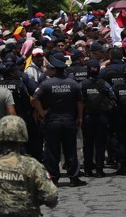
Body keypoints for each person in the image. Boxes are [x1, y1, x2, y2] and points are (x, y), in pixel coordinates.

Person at [32, 55, 87, 187]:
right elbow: (80, 102)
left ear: (55, 70)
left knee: (52, 151)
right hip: (69, 121)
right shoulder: (73, 84)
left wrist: (41, 112)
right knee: (70, 150)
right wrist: (79, 117)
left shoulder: (46, 84)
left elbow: (34, 99)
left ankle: (53, 178)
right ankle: (74, 177)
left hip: (52, 121)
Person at [81, 59, 116, 178]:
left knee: (88, 144)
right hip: (102, 117)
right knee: (100, 144)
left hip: (88, 117)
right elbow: (113, 97)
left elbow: (78, 100)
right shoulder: (104, 84)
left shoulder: (82, 84)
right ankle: (99, 170)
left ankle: (87, 169)